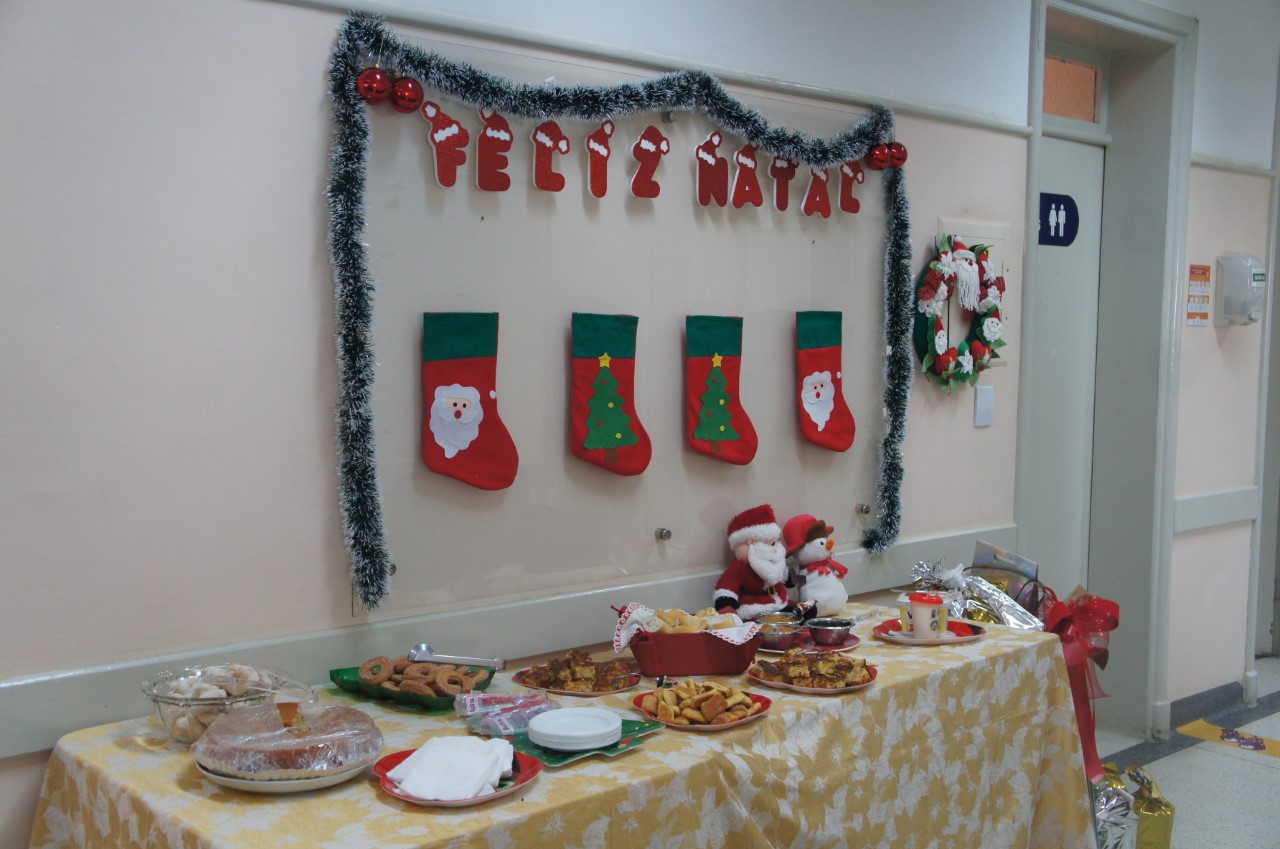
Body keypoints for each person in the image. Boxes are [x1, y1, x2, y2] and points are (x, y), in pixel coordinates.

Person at [713, 504, 814, 621]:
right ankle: (788, 618)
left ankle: (791, 616)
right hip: (755, 609)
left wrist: (793, 578)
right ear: (749, 543)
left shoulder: (775, 562)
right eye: (770, 544)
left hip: (781, 603)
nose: (775, 548)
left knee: (809, 609)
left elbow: (784, 576)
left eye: (775, 542)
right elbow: (726, 586)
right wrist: (726, 603)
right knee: (788, 615)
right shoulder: (739, 568)